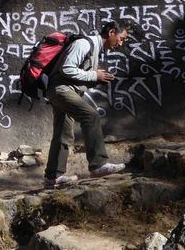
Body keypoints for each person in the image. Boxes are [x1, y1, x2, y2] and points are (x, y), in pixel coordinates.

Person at [44, 21, 129, 188]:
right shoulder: (84, 43)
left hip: (63, 91)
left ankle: (52, 178)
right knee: (90, 115)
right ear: (112, 32)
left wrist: (97, 77)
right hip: (62, 90)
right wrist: (93, 75)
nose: (121, 43)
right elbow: (67, 69)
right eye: (121, 38)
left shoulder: (96, 49)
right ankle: (98, 165)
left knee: (63, 133)